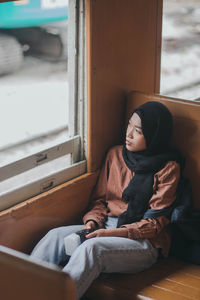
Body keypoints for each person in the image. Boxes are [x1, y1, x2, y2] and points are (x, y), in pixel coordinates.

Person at [31, 101, 183, 299]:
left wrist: (110, 233)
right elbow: (99, 201)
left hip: (143, 242)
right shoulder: (115, 155)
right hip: (106, 227)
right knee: (54, 236)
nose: (129, 134)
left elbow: (154, 225)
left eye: (138, 130)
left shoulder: (168, 168)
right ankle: (20, 291)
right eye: (129, 125)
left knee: (91, 249)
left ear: (155, 135)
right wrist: (92, 223)